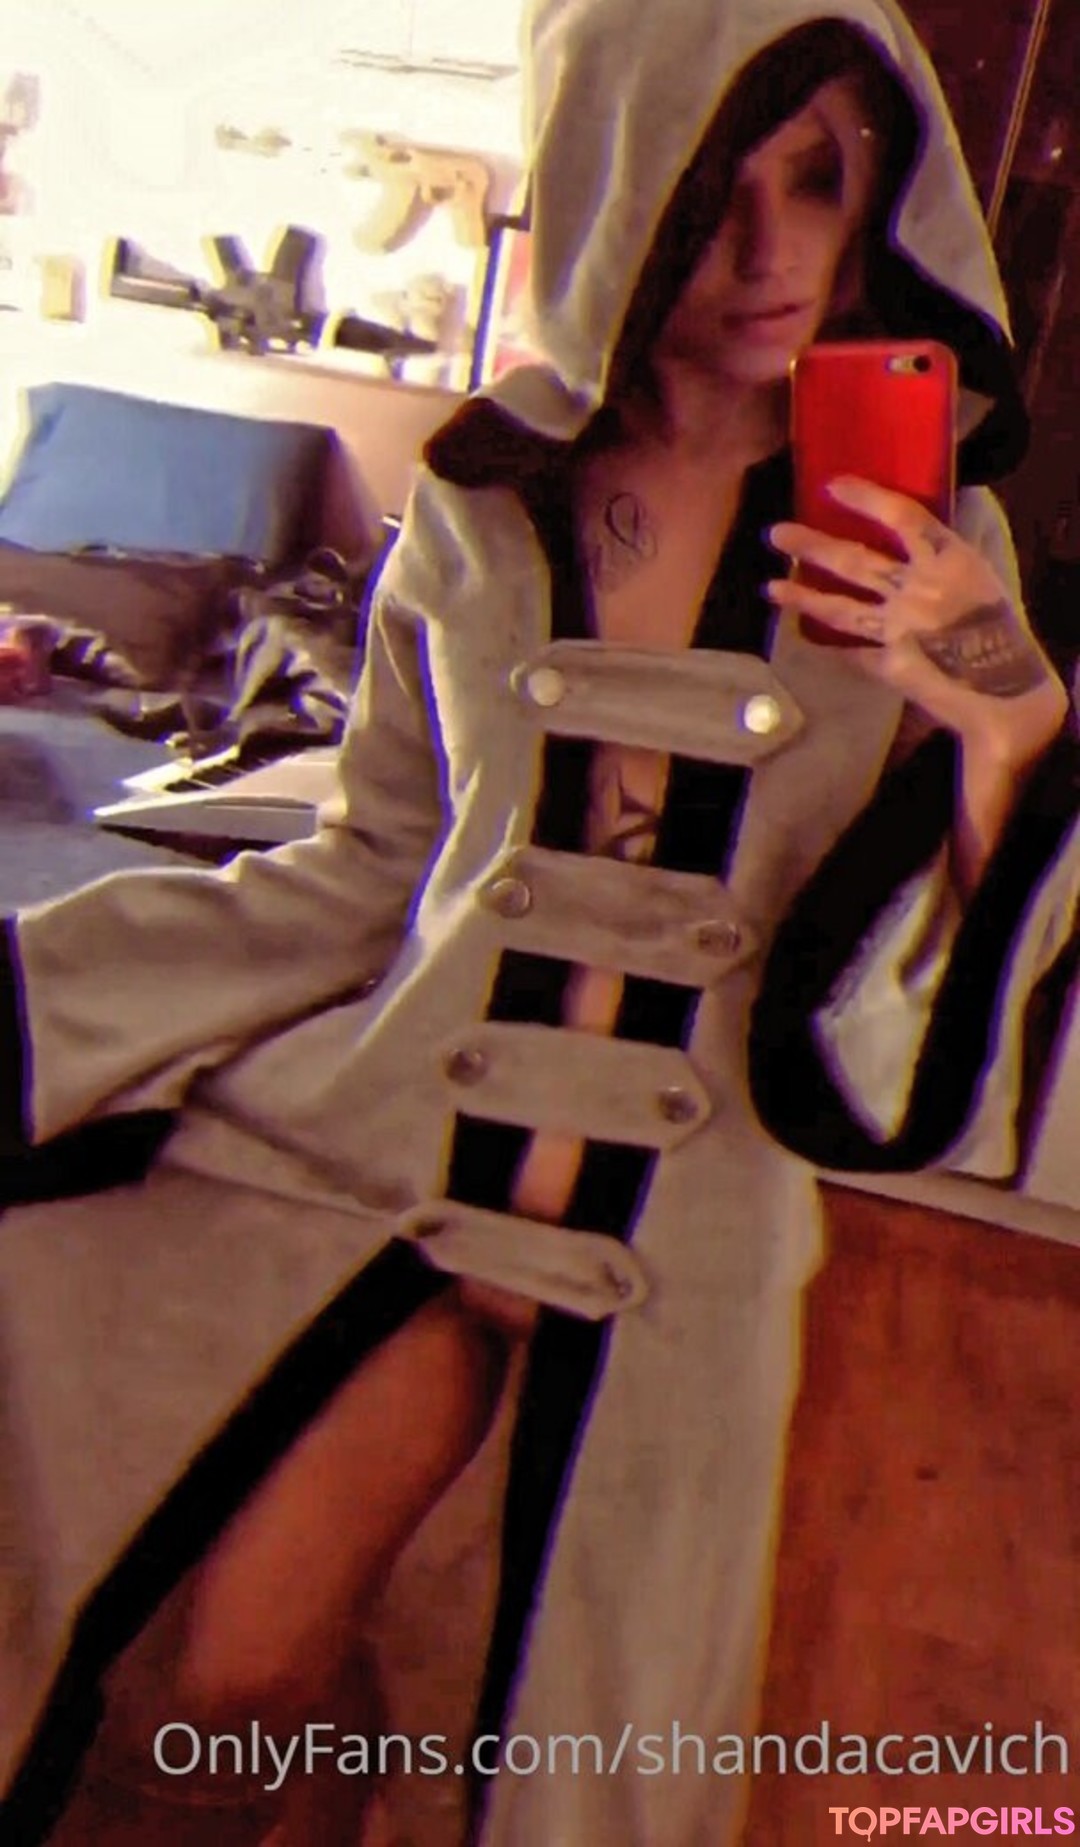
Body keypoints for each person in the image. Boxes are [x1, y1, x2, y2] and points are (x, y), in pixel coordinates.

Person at [1, 0, 1077, 1842]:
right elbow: (373, 863)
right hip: (384, 1170)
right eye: (711, 188)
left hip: (686, 1245)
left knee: (555, 1762)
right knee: (229, 1677)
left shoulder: (932, 543)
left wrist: (1008, 717)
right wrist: (51, 996)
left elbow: (926, 974)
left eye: (819, 181)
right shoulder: (483, 505)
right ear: (615, 186)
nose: (766, 251)